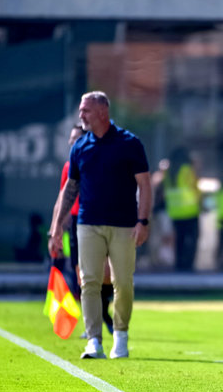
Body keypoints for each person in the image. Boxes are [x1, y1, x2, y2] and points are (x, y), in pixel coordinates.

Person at [48, 91, 152, 359]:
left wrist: (143, 221)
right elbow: (70, 189)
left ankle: (121, 336)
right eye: (81, 111)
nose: (81, 115)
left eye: (86, 111)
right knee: (89, 282)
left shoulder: (130, 143)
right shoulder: (79, 147)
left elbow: (145, 185)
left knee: (123, 283)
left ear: (103, 112)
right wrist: (57, 226)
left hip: (124, 225)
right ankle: (93, 340)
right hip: (88, 224)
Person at [55, 124, 114, 332]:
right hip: (76, 227)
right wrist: (55, 230)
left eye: (76, 139)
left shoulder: (100, 163)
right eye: (70, 139)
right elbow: (62, 198)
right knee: (80, 275)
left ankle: (103, 313)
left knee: (104, 274)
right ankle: (95, 321)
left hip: (100, 223)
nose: (72, 143)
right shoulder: (67, 167)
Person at [163, 146, 201, 271]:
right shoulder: (187, 169)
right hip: (190, 210)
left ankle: (179, 264)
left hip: (175, 211)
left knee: (179, 239)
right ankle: (188, 265)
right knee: (193, 239)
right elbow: (194, 187)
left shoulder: (169, 171)